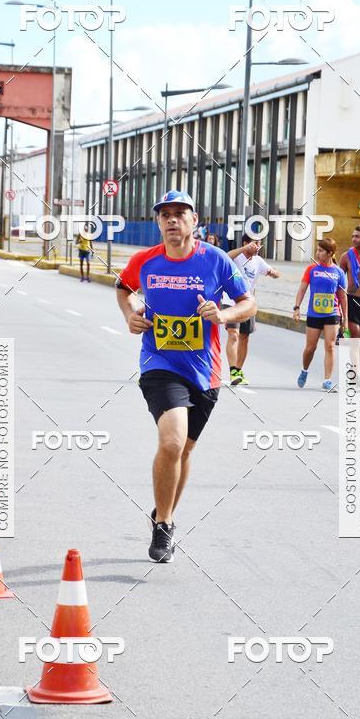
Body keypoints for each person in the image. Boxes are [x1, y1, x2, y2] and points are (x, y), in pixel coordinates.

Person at [116, 189, 255, 563]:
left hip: (205, 371)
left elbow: (248, 302)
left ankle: (166, 516)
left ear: (195, 221)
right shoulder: (145, 261)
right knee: (173, 442)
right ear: (159, 222)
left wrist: (224, 316)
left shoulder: (217, 261)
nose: (173, 219)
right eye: (166, 214)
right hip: (160, 364)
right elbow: (124, 288)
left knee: (185, 450)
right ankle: (163, 526)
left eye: (181, 213)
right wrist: (130, 312)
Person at [293, 238, 348, 392]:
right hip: (314, 314)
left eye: (321, 251)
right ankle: (304, 370)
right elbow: (302, 289)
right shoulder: (312, 269)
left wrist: (345, 318)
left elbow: (343, 297)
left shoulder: (338, 272)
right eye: (317, 250)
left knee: (330, 346)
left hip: (332, 313)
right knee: (310, 348)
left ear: (330, 253)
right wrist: (296, 308)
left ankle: (327, 380)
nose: (317, 253)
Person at [224, 235, 279, 386]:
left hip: (248, 304)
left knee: (244, 337)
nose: (257, 247)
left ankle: (239, 371)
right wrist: (244, 249)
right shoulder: (237, 257)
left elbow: (275, 273)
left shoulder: (258, 261)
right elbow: (226, 257)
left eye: (259, 244)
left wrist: (274, 273)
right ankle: (233, 370)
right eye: (255, 244)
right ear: (245, 243)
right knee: (233, 335)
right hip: (231, 302)